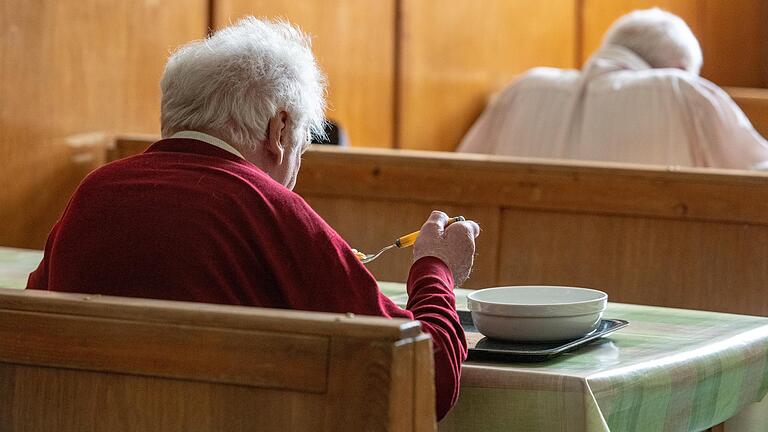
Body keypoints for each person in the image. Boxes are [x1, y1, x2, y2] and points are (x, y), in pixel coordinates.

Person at [27, 17, 479, 420]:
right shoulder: (267, 207)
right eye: (302, 145)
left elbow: (31, 331)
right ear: (279, 130)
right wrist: (436, 269)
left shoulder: (93, 192)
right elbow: (428, 376)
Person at [458, 8, 768, 170]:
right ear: (679, 67)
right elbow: (757, 176)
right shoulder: (682, 91)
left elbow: (458, 174)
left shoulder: (524, 89)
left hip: (513, 283)